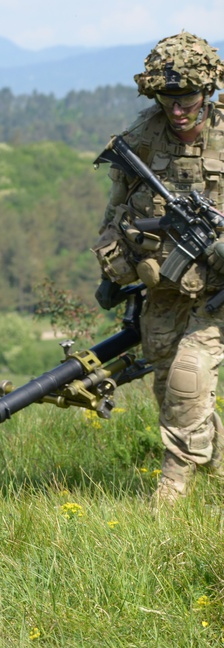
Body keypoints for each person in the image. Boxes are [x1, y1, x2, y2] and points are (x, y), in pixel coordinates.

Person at [92, 31, 224, 503]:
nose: (178, 109)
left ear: (207, 90)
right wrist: (112, 270)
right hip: (165, 283)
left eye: (186, 97)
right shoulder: (142, 139)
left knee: (190, 376)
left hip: (219, 290)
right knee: (171, 385)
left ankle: (173, 491)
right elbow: (117, 213)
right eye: (167, 98)